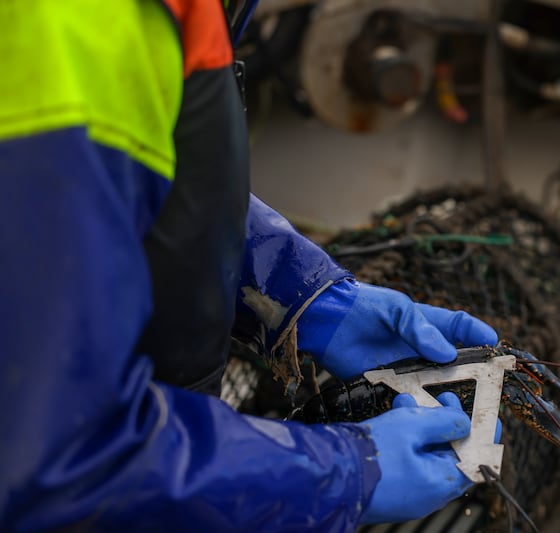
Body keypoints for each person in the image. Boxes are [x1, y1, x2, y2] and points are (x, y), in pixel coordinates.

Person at [0, 1, 499, 530]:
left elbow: (135, 190)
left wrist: (302, 294)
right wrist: (336, 474)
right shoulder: (74, 22)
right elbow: (58, 453)